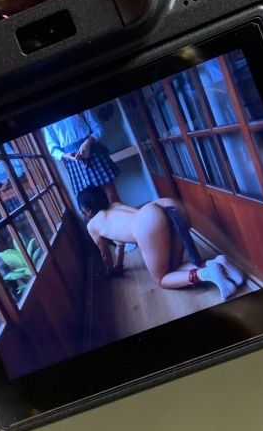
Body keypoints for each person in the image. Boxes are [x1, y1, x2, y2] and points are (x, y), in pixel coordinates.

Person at [77, 185, 243, 300]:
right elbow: (119, 245)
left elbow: (105, 255)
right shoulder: (115, 205)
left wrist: (111, 270)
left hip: (148, 221)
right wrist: (119, 265)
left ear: (87, 210)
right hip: (165, 205)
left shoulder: (93, 225)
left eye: (82, 211)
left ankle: (206, 273)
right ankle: (218, 263)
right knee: (173, 268)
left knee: (162, 279)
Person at [43, 110, 121, 202]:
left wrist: (88, 141)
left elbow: (98, 128)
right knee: (92, 203)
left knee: (113, 198)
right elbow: (53, 148)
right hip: (74, 162)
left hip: (93, 153)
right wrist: (66, 155)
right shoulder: (46, 118)